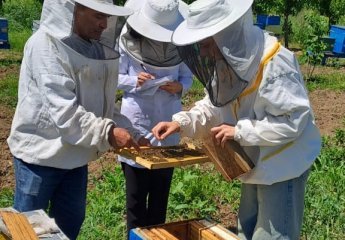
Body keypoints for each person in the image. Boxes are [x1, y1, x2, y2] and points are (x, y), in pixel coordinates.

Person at [152, 0, 322, 239]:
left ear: (226, 35)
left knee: (272, 235)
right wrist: (183, 122)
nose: (202, 52)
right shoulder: (227, 59)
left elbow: (293, 121)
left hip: (283, 165)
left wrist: (240, 132)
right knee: (246, 231)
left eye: (206, 43)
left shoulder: (276, 62)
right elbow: (214, 104)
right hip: (254, 162)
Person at [7, 0, 150, 239]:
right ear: (73, 11)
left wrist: (129, 130)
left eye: (107, 17)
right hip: (39, 159)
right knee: (28, 230)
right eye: (97, 16)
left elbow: (99, 106)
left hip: (74, 159)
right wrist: (109, 133)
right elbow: (65, 113)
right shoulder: (46, 46)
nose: (104, 25)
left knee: (69, 223)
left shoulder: (92, 48)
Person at [117, 0, 193, 236]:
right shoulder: (127, 40)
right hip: (136, 124)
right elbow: (114, 78)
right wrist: (135, 81)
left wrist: (179, 87)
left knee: (160, 198)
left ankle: (157, 235)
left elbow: (187, 77)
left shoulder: (180, 43)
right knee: (136, 199)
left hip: (168, 125)